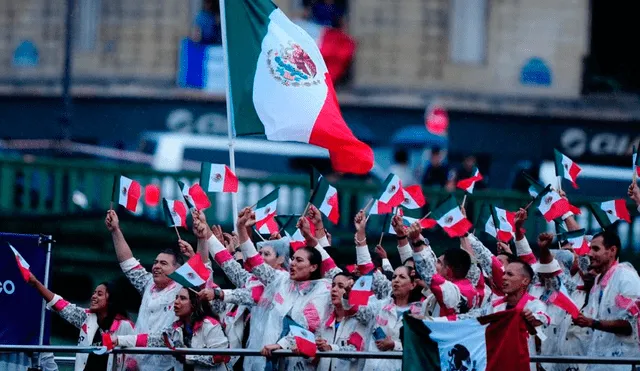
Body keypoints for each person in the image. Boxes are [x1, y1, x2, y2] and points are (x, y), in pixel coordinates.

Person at [230, 208, 332, 371]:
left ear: (313, 267)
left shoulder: (323, 290)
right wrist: (241, 228)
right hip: (268, 360)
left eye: (299, 260)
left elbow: (306, 325)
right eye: (292, 259)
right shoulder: (281, 279)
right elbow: (255, 263)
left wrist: (280, 345)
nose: (292, 263)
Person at [105, 210, 185, 371]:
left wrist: (203, 240)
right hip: (137, 364)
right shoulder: (148, 283)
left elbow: (204, 271)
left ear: (178, 270)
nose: (156, 266)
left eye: (163, 263)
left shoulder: (183, 290)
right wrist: (115, 230)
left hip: (167, 366)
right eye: (155, 262)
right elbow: (127, 262)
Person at [28, 273, 134, 371]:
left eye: (99, 294)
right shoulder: (86, 318)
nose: (94, 296)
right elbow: (60, 305)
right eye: (94, 293)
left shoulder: (125, 325)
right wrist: (36, 283)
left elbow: (135, 358)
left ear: (111, 300)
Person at [112, 287, 230, 371]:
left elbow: (221, 356)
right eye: (176, 297)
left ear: (194, 303)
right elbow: (149, 340)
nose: (176, 302)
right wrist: (118, 340)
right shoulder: (175, 329)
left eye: (182, 298)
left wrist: (187, 356)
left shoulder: (210, 324)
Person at [572, 230, 640, 370]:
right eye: (590, 249)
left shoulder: (625, 276)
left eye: (596, 249)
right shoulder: (597, 281)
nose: (590, 254)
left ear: (612, 250)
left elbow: (631, 324)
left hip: (624, 364)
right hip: (599, 364)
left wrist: (592, 323)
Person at [316, 271, 370, 371]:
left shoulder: (359, 320)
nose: (334, 289)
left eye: (340, 286)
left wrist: (330, 348)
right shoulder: (325, 319)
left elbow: (354, 352)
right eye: (333, 285)